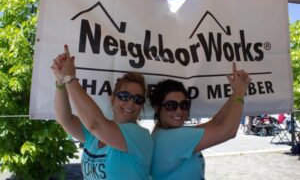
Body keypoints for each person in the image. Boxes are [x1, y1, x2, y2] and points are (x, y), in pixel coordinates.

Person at [51, 45, 153, 179]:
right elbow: (66, 120)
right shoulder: (94, 135)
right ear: (113, 98)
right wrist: (60, 81)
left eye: (138, 99)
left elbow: (95, 124)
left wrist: (70, 78)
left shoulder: (140, 137)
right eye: (124, 96)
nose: (130, 103)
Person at [149, 62, 250, 180]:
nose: (179, 111)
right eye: (171, 105)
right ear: (157, 108)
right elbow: (229, 131)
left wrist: (236, 93)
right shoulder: (171, 139)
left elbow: (215, 123)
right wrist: (240, 92)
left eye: (184, 105)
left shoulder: (163, 134)